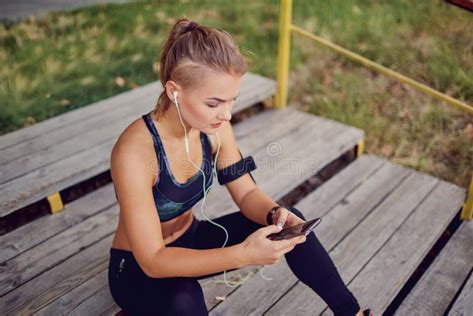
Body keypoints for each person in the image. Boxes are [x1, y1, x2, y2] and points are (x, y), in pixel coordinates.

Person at [107, 18, 372, 316]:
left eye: (232, 101)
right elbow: (154, 260)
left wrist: (274, 214)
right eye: (214, 103)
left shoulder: (214, 129)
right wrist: (244, 254)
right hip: (137, 269)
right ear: (174, 91)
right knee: (184, 298)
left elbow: (246, 194)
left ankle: (353, 313)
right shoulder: (134, 152)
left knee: (292, 223)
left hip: (192, 238)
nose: (227, 114)